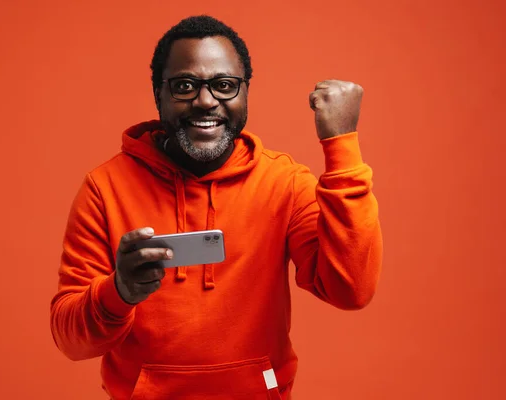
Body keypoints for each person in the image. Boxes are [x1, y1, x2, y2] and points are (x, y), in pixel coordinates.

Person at [50, 14, 383, 400]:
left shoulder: (285, 183)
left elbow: (351, 290)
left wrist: (341, 145)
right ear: (159, 93)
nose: (206, 101)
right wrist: (118, 291)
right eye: (185, 85)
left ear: (245, 92)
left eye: (224, 85)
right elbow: (70, 340)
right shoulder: (105, 188)